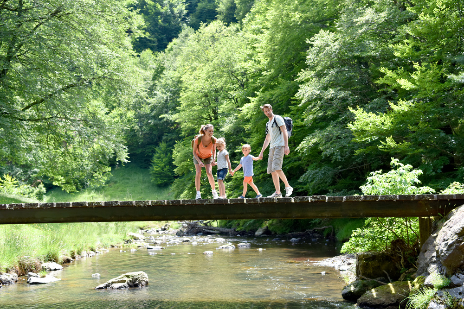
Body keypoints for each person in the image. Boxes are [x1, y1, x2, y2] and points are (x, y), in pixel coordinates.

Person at [258, 104, 293, 197]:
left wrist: (286, 146)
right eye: (265, 111)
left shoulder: (277, 118)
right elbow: (267, 139)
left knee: (277, 167)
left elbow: (284, 130)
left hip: (280, 146)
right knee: (272, 170)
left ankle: (288, 186)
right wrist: (261, 152)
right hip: (272, 147)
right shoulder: (268, 124)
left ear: (271, 109)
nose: (267, 112)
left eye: (268, 110)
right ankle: (278, 192)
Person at [192, 124, 219, 199]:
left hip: (208, 156)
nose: (211, 133)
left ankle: (214, 192)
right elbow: (194, 152)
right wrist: (199, 161)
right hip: (198, 156)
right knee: (198, 172)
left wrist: (214, 160)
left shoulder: (214, 139)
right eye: (209, 131)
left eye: (212, 131)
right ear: (205, 131)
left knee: (209, 173)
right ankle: (198, 194)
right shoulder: (198, 139)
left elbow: (214, 150)